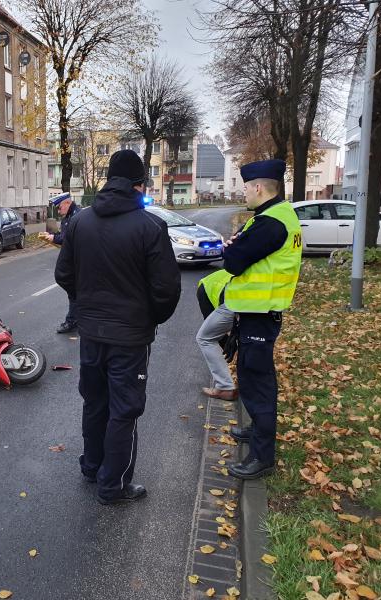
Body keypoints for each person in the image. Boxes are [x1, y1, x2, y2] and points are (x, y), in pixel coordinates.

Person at [55, 150, 181, 505]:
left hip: (92, 334)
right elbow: (167, 289)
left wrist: (85, 307)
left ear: (109, 181)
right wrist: (150, 317)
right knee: (124, 410)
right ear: (139, 184)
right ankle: (114, 485)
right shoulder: (151, 226)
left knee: (95, 402)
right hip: (130, 338)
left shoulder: (81, 223)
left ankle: (92, 466)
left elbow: (64, 274)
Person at [222, 159, 302, 480]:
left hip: (261, 314)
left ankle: (262, 456)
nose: (244, 193)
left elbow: (233, 260)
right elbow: (239, 251)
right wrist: (236, 246)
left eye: (245, 188)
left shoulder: (270, 223)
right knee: (250, 374)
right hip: (258, 312)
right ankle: (257, 430)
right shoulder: (275, 216)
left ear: (258, 187)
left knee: (258, 383)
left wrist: (233, 247)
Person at [40, 193, 82, 333]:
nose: (58, 211)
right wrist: (53, 237)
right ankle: (76, 319)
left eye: (59, 208)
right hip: (74, 260)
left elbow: (67, 238)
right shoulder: (70, 217)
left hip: (78, 261)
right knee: (75, 292)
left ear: (67, 203)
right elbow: (65, 237)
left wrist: (54, 238)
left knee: (74, 290)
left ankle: (73, 321)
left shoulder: (75, 217)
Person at [196, 269, 237, 400]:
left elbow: (213, 332)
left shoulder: (204, 289)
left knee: (204, 338)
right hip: (258, 298)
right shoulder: (222, 275)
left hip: (233, 299)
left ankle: (225, 387)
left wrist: (227, 342)